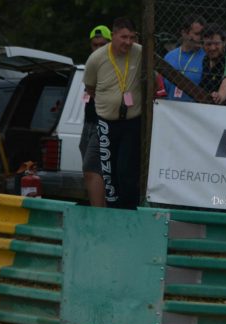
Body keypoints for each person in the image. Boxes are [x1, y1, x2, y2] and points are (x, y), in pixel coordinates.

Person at [83, 17, 143, 209]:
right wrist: (108, 103)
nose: (128, 42)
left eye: (131, 37)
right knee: (108, 173)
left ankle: (129, 210)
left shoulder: (140, 52)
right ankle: (112, 211)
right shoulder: (96, 58)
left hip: (132, 121)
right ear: (114, 35)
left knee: (126, 169)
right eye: (123, 37)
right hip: (107, 123)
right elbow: (90, 88)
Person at [81, 25, 111, 207]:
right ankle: (98, 209)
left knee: (92, 167)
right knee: (90, 170)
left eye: (102, 44)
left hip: (104, 123)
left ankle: (101, 213)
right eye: (95, 45)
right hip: (89, 123)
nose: (98, 48)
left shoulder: (113, 64)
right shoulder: (91, 64)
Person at [163, 15, 205, 101]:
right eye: (197, 34)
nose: (201, 38)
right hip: (169, 111)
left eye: (203, 34)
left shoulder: (207, 58)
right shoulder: (169, 56)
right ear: (184, 33)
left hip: (195, 111)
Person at [199, 25, 226, 105]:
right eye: (208, 44)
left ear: (224, 43)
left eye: (216, 43)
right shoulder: (205, 60)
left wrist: (220, 96)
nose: (213, 48)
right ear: (203, 45)